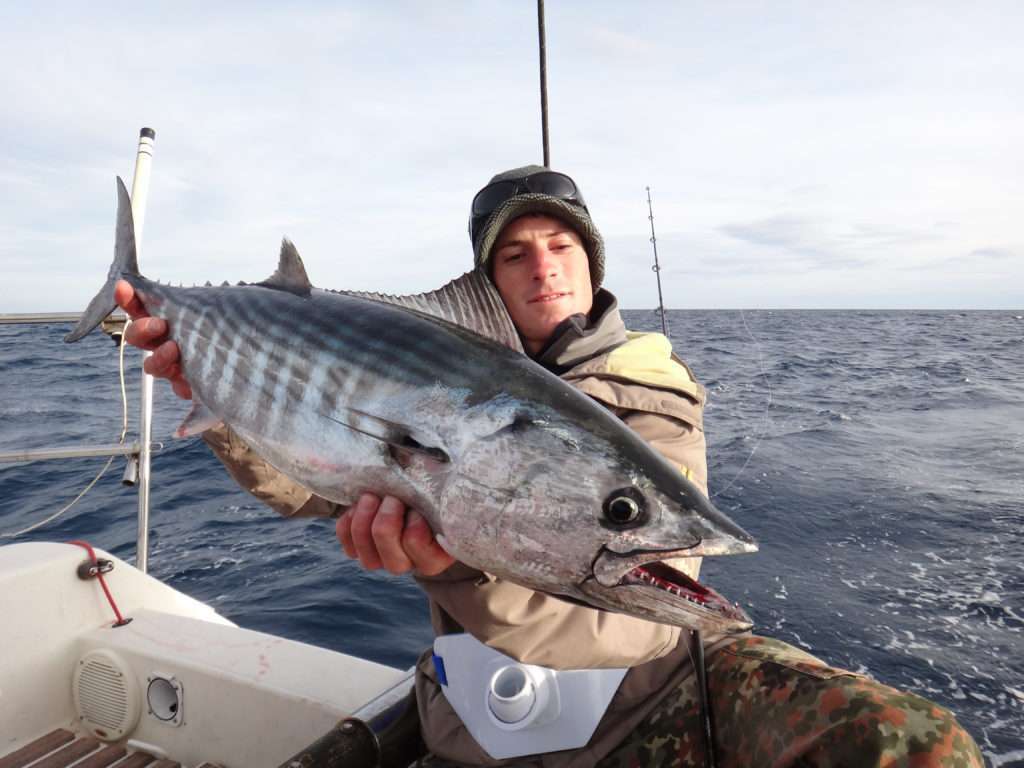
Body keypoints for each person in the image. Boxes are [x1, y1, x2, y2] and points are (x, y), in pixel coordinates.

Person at [117, 166, 983, 767]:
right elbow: (305, 487)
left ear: (591, 263)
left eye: (562, 246)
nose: (544, 268)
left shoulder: (651, 388)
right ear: (486, 281)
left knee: (912, 741)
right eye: (514, 254)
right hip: (474, 721)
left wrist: (454, 564)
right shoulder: (440, 373)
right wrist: (217, 390)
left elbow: (635, 628)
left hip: (644, 699)